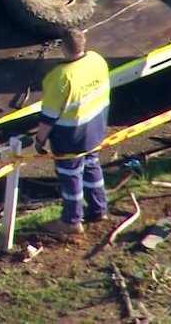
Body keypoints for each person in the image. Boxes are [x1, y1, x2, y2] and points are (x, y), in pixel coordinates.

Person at [34, 28, 110, 235]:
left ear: (62, 47)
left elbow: (49, 116)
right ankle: (98, 208)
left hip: (71, 138)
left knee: (70, 176)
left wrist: (40, 141)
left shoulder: (60, 77)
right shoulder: (97, 60)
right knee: (92, 165)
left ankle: (71, 221)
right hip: (95, 129)